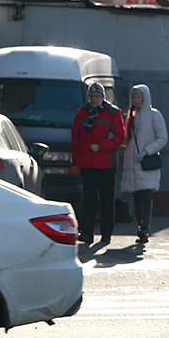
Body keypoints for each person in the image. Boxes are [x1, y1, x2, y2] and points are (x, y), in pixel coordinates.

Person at [70, 82, 125, 247]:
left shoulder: (113, 114)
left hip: (106, 164)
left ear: (103, 97)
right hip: (87, 164)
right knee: (89, 200)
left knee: (107, 200)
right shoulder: (82, 113)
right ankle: (87, 233)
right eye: (91, 96)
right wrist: (75, 161)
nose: (94, 99)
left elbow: (119, 138)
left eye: (97, 96)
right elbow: (75, 138)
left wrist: (101, 146)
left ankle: (106, 234)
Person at [120, 84, 168, 246]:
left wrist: (147, 151)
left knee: (146, 196)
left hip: (146, 162)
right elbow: (127, 139)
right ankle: (141, 226)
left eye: (139, 97)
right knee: (136, 197)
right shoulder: (131, 115)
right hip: (132, 162)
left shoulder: (155, 115)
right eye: (134, 97)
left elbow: (162, 138)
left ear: (145, 98)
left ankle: (144, 228)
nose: (136, 100)